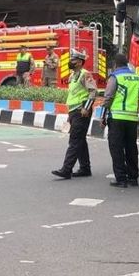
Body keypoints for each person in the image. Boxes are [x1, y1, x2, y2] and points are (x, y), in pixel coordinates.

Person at [104, 52, 139, 188]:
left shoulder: (115, 77)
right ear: (126, 64)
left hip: (117, 118)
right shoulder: (137, 78)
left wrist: (103, 116)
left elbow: (108, 97)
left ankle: (121, 179)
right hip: (132, 119)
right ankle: (133, 178)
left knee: (116, 148)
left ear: (115, 65)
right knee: (131, 147)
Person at [51, 50, 97, 180]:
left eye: (73, 60)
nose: (70, 62)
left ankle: (66, 169)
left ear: (80, 62)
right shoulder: (72, 76)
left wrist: (86, 108)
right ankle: (85, 168)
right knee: (80, 140)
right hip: (73, 111)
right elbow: (73, 95)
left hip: (81, 111)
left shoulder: (85, 74)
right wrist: (69, 115)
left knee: (75, 140)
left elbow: (93, 92)